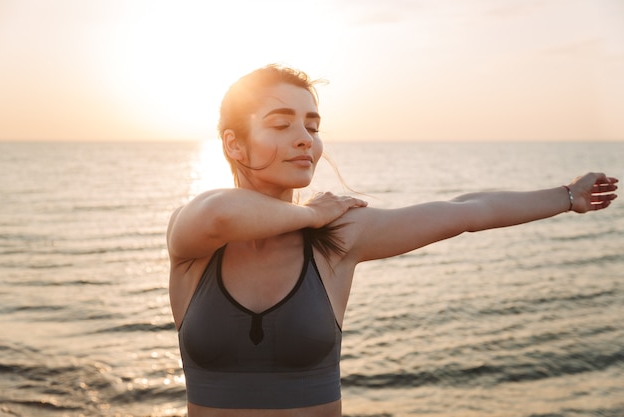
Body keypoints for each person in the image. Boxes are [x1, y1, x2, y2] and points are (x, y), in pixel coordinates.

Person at [166, 64, 618, 417]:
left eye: (312, 125)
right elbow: (221, 213)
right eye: (281, 124)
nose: (305, 140)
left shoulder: (338, 238)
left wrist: (567, 196)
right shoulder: (195, 242)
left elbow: (467, 211)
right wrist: (309, 213)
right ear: (234, 145)